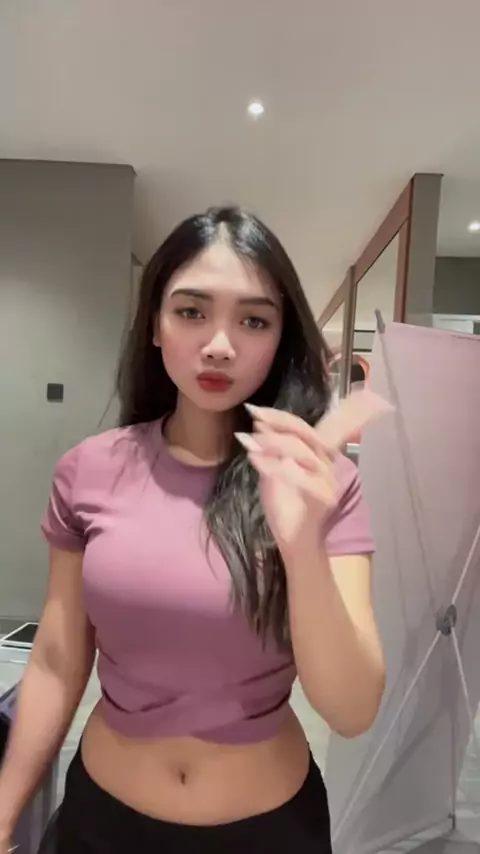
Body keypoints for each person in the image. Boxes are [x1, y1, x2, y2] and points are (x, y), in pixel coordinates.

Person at [0, 207, 385, 853]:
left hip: (268, 831)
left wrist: (301, 545)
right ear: (155, 323)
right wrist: (4, 809)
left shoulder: (321, 483)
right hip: (104, 823)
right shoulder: (88, 470)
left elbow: (352, 710)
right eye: (191, 311)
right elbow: (58, 660)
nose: (220, 344)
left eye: (254, 320)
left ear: (280, 337)